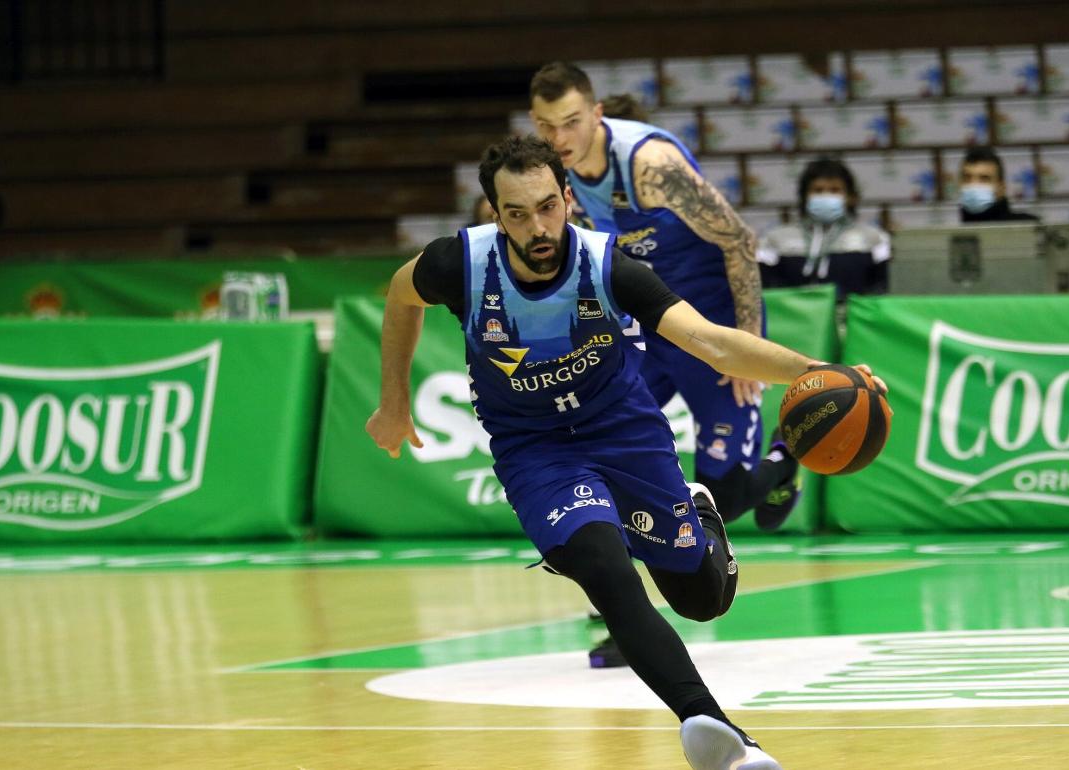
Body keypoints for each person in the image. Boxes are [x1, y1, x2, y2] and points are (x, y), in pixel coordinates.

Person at [365, 135, 886, 770]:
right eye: (517, 213)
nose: (537, 226)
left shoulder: (608, 266)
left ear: (566, 199)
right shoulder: (459, 266)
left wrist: (820, 369)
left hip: (624, 434)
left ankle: (703, 516)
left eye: (546, 206)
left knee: (701, 599)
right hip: (537, 452)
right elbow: (399, 295)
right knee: (606, 570)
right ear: (494, 214)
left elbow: (714, 344)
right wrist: (394, 401)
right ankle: (719, 733)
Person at [528, 62, 800, 535]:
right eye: (547, 126)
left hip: (712, 327)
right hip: (647, 324)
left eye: (571, 122)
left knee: (729, 500)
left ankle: (786, 456)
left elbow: (739, 240)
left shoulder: (650, 166)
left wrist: (746, 344)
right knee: (598, 456)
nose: (559, 138)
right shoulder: (554, 173)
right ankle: (616, 585)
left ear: (596, 113)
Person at [756, 157, 891, 300]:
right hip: (794, 318)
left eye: (835, 190)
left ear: (851, 197)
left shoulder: (874, 238)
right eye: (818, 190)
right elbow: (767, 292)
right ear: (804, 197)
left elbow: (879, 292)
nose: (826, 196)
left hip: (851, 318)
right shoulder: (774, 239)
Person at [958, 146, 1039, 222]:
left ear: (1002, 187)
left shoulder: (1028, 228)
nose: (973, 185)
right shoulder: (953, 234)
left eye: (984, 179)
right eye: (967, 178)